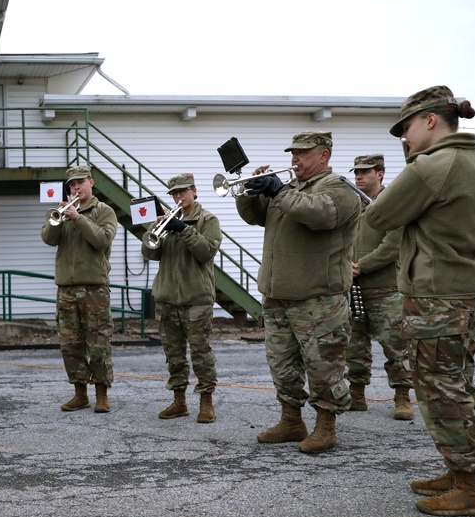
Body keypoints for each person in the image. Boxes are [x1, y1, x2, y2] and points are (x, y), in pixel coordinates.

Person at [366, 86, 475, 517]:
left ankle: (469, 489)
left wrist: (414, 172)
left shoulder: (430, 167)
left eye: (406, 128)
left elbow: (378, 216)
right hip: (472, 288)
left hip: (436, 295)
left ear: (431, 120)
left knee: (438, 387)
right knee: (458, 381)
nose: (403, 139)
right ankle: (459, 470)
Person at [235, 131, 362, 454]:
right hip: (279, 295)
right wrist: (249, 191)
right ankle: (291, 420)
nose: (295, 159)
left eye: (303, 153)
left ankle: (326, 425)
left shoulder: (339, 189)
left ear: (324, 156)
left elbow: (318, 215)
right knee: (282, 364)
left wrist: (278, 190)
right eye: (293, 153)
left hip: (318, 297)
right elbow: (253, 216)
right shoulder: (289, 189)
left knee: (324, 366)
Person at [141, 174, 222, 422]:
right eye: (174, 194)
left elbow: (206, 251)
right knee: (173, 354)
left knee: (201, 353)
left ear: (194, 191)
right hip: (167, 298)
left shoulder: (208, 219)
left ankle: (206, 402)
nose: (178, 197)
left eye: (183, 192)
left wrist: (185, 229)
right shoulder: (166, 221)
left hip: (196, 298)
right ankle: (179, 401)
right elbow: (149, 252)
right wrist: (154, 228)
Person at [41, 165, 118, 413]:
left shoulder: (104, 211)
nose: (76, 188)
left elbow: (101, 240)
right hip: (66, 289)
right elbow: (48, 238)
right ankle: (80, 393)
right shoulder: (62, 211)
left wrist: (79, 217)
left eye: (80, 183)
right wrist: (59, 219)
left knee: (98, 343)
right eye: (72, 184)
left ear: (91, 183)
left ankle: (102, 394)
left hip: (94, 288)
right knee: (70, 344)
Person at [344, 154, 414, 420]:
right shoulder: (353, 204)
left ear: (380, 174)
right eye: (357, 172)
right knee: (354, 346)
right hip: (353, 289)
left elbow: (393, 244)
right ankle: (357, 394)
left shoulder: (391, 204)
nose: (359, 176)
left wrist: (361, 265)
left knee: (395, 346)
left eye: (365, 172)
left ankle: (402, 397)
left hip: (385, 290)